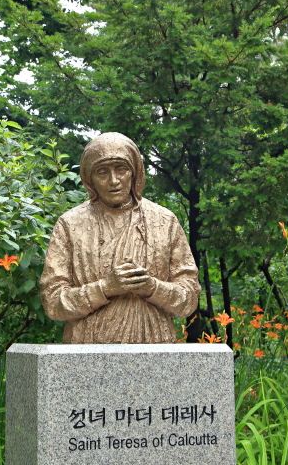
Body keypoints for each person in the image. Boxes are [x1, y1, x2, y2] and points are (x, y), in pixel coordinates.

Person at [39, 132, 200, 343]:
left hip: (153, 345)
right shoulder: (70, 225)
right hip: (89, 348)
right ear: (89, 179)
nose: (113, 181)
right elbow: (53, 302)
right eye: (102, 172)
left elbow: (189, 299)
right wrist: (105, 288)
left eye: (121, 169)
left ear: (135, 172)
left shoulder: (164, 221)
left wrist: (152, 287)